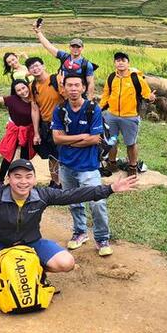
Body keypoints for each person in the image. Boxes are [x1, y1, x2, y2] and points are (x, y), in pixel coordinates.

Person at [0, 158, 139, 284]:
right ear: (9, 179)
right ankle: (2, 277)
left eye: (28, 177)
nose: (23, 182)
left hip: (31, 243)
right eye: (17, 176)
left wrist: (110, 188)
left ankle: (33, 270)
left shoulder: (42, 195)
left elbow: (73, 195)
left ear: (34, 179)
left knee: (66, 263)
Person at [52, 75, 112, 256]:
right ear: (64, 88)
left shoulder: (93, 109)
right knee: (73, 202)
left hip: (89, 166)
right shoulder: (60, 110)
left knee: (97, 203)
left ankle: (102, 238)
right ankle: (80, 232)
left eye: (77, 85)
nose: (73, 88)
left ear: (83, 88)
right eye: (69, 85)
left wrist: (68, 141)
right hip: (66, 165)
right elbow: (56, 139)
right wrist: (81, 138)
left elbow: (94, 139)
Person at [99, 52, 156, 177]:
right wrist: (99, 109)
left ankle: (132, 167)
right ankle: (112, 164)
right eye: (117, 60)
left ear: (128, 63)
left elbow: (146, 94)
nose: (120, 62)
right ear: (114, 63)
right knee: (111, 141)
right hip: (112, 116)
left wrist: (151, 98)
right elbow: (106, 95)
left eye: (123, 60)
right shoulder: (111, 77)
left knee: (131, 143)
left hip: (130, 117)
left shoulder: (136, 78)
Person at [25, 57, 64, 188]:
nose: (35, 69)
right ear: (29, 71)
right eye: (32, 67)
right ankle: (55, 182)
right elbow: (35, 109)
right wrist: (36, 133)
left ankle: (68, 181)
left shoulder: (56, 79)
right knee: (52, 155)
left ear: (43, 66)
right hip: (47, 125)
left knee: (66, 153)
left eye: (37, 65)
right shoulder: (32, 86)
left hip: (63, 124)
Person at [33, 20, 96, 98]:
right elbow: (49, 46)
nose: (75, 49)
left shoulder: (86, 64)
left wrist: (89, 99)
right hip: (62, 93)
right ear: (69, 47)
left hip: (78, 95)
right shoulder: (64, 56)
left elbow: (90, 83)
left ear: (82, 48)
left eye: (78, 47)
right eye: (73, 46)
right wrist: (38, 32)